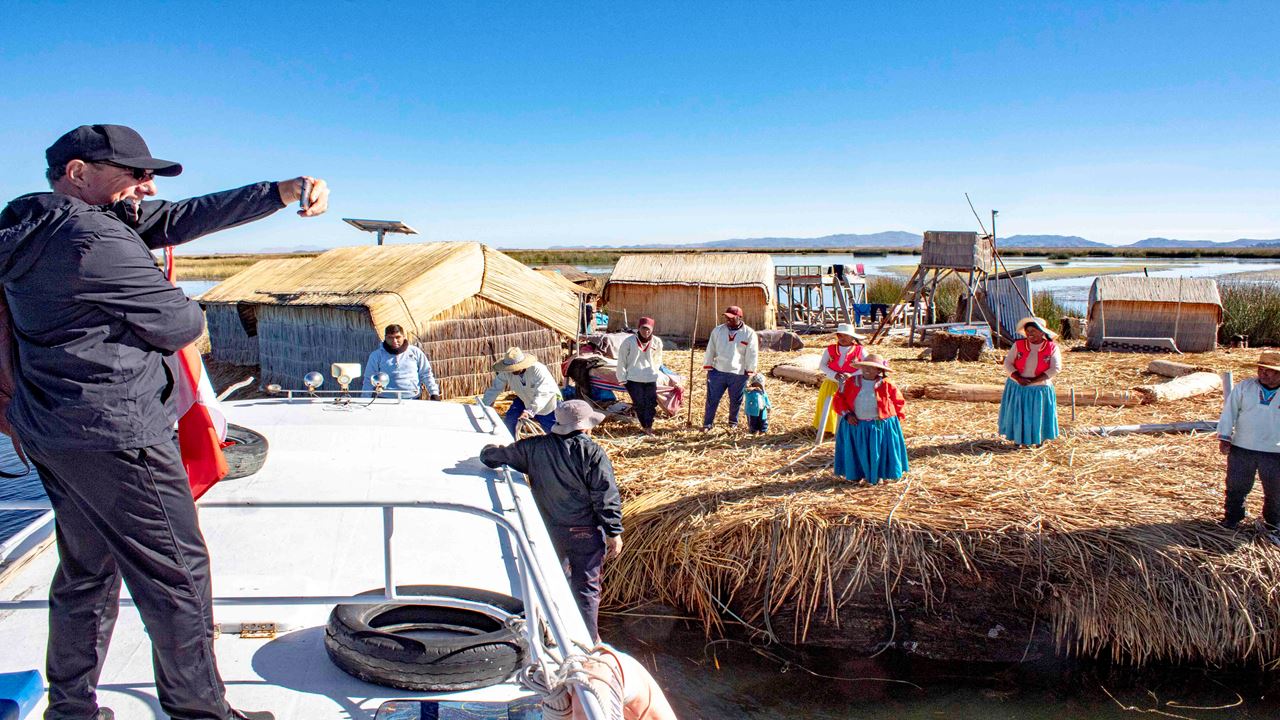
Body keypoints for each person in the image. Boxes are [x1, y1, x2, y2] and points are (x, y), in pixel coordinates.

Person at [0, 124, 327, 720]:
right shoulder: (93, 237)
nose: (146, 186)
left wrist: (279, 192)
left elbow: (181, 217)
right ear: (79, 173)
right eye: (134, 174)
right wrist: (172, 305)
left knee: (84, 574)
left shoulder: (31, 226)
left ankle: (72, 710)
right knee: (178, 575)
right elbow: (179, 325)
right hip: (119, 432)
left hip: (52, 430)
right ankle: (200, 712)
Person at [480, 400, 623, 641]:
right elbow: (605, 494)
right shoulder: (593, 453)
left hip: (548, 532)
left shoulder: (533, 448)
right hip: (586, 533)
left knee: (549, 581)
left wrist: (487, 451)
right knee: (587, 588)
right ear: (586, 427)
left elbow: (493, 457)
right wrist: (613, 532)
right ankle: (589, 639)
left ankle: (550, 632)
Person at [1217, 350, 1280, 542]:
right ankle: (1232, 519)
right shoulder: (1245, 388)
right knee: (1236, 486)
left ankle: (1273, 525)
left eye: (1269, 370)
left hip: (1275, 451)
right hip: (1242, 447)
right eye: (1261, 369)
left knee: (1276, 491)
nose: (1263, 373)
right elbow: (1229, 412)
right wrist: (1225, 437)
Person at [833, 354, 908, 484]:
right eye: (865, 366)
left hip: (880, 425)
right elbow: (839, 399)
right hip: (856, 424)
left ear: (879, 371)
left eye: (873, 368)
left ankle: (879, 474)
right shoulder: (851, 382)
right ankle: (856, 474)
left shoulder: (886, 384)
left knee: (878, 451)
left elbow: (898, 401)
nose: (868, 369)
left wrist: (896, 420)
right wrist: (847, 415)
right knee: (857, 451)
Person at [997, 317, 1063, 447]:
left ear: (1042, 332)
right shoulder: (1018, 345)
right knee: (1019, 415)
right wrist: (1018, 378)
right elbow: (1008, 363)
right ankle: (1018, 439)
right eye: (1028, 331)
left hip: (1039, 388)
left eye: (1033, 330)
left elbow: (1056, 368)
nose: (1030, 334)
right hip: (1018, 386)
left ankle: (1039, 439)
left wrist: (1034, 380)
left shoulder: (1052, 347)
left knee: (1038, 416)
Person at [701, 305, 759, 431]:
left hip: (738, 373)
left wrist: (750, 370)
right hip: (718, 371)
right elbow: (710, 349)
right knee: (712, 399)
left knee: (735, 400)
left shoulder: (749, 333)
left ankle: (733, 422)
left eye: (731, 318)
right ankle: (707, 423)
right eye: (726, 317)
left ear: (739, 317)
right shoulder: (718, 331)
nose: (728, 320)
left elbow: (752, 353)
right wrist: (708, 365)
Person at [483, 346, 562, 436]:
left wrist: (529, 411)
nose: (512, 370)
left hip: (548, 404)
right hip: (524, 399)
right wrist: (485, 405)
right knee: (510, 421)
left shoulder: (538, 369)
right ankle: (512, 444)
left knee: (555, 433)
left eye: (515, 368)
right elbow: (495, 388)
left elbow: (544, 393)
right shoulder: (507, 372)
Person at [362, 324, 441, 399]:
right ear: (385, 338)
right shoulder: (377, 355)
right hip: (385, 399)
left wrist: (434, 393)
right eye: (390, 337)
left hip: (412, 398)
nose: (394, 341)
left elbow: (426, 374)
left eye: (397, 337)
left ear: (403, 337)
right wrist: (365, 399)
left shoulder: (415, 352)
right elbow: (369, 378)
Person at [813, 323, 865, 435]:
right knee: (827, 405)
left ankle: (848, 429)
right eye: (840, 335)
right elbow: (822, 365)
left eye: (846, 336)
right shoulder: (830, 349)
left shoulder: (860, 350)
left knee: (849, 406)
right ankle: (827, 429)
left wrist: (851, 375)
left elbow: (866, 367)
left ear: (852, 337)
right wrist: (834, 374)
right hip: (831, 383)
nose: (843, 338)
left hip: (851, 385)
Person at [615, 316, 663, 435]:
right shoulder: (629, 342)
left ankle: (648, 426)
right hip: (633, 378)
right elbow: (622, 361)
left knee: (651, 403)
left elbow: (658, 360)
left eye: (648, 329)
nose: (646, 332)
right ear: (638, 328)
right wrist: (621, 377)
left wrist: (655, 372)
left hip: (650, 377)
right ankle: (644, 425)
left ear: (652, 329)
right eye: (643, 328)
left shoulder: (657, 342)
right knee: (640, 403)